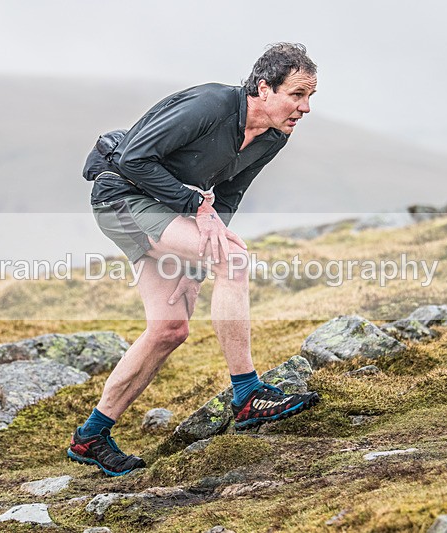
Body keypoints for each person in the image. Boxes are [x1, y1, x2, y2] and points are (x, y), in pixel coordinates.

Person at [68, 43, 320, 476]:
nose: (306, 107)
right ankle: (247, 396)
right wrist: (193, 205)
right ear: (264, 87)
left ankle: (90, 437)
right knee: (235, 260)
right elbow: (134, 158)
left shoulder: (274, 135)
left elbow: (229, 195)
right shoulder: (210, 105)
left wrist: (197, 258)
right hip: (122, 196)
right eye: (297, 94)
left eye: (310, 96)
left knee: (169, 328)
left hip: (168, 211)